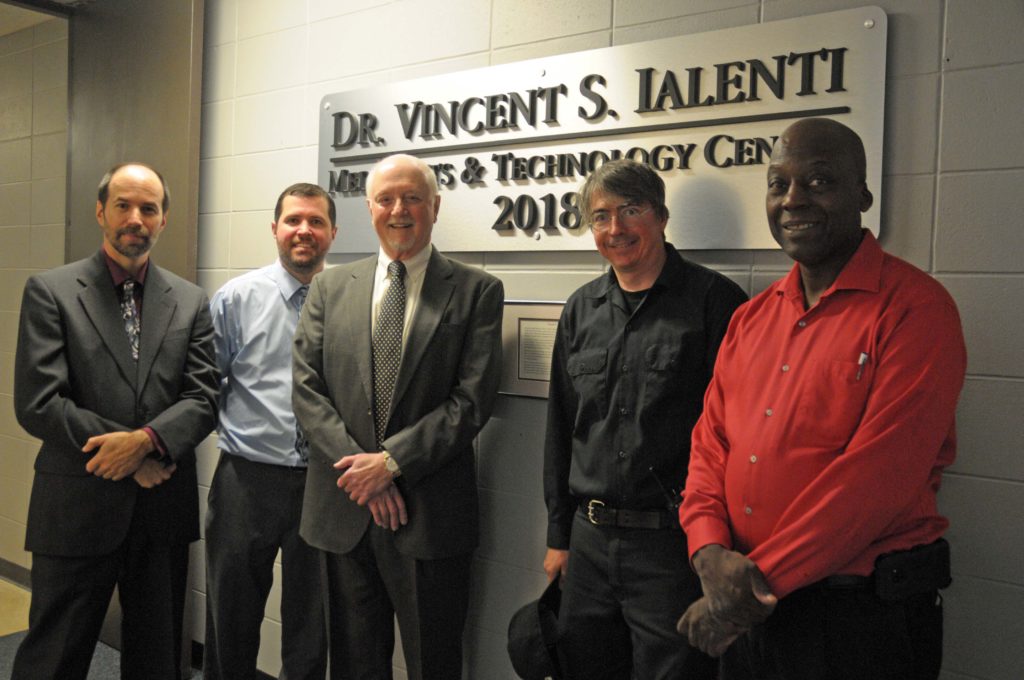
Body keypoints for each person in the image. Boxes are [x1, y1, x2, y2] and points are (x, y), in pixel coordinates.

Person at [677, 117, 967, 680]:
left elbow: (879, 478)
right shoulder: (750, 319)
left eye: (817, 181)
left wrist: (753, 584)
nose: (793, 200)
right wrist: (707, 549)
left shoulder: (915, 309)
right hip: (749, 609)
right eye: (778, 183)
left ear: (862, 194)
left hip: (854, 620)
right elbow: (710, 447)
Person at [292, 153, 504, 680]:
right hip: (344, 511)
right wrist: (364, 475)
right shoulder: (329, 287)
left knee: (434, 661)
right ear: (369, 209)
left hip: (430, 515)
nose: (399, 209)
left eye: (412, 197)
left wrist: (391, 464)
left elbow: (472, 400)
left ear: (434, 206)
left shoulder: (477, 290)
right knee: (354, 663)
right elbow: (307, 390)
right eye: (385, 199)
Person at [11, 162, 219, 680]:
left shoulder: (190, 301)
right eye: (123, 205)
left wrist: (147, 442)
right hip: (78, 506)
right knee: (53, 657)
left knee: (157, 660)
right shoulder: (52, 291)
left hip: (160, 512)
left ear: (163, 219)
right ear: (100, 211)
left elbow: (204, 396)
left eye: (149, 208)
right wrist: (127, 458)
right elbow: (39, 401)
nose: (135, 218)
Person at [543, 159, 748, 680]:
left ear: (660, 216)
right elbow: (562, 429)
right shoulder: (579, 310)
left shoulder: (716, 303)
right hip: (588, 543)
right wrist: (558, 536)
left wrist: (719, 544)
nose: (617, 229)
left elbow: (740, 435)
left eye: (631, 210)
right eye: (601, 216)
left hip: (674, 547)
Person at [203, 183, 337, 680]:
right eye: (294, 220)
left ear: (333, 232)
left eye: (316, 221)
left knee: (312, 624)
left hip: (324, 483)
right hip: (247, 481)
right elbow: (204, 388)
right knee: (231, 615)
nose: (305, 230)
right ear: (275, 228)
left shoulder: (346, 298)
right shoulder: (237, 298)